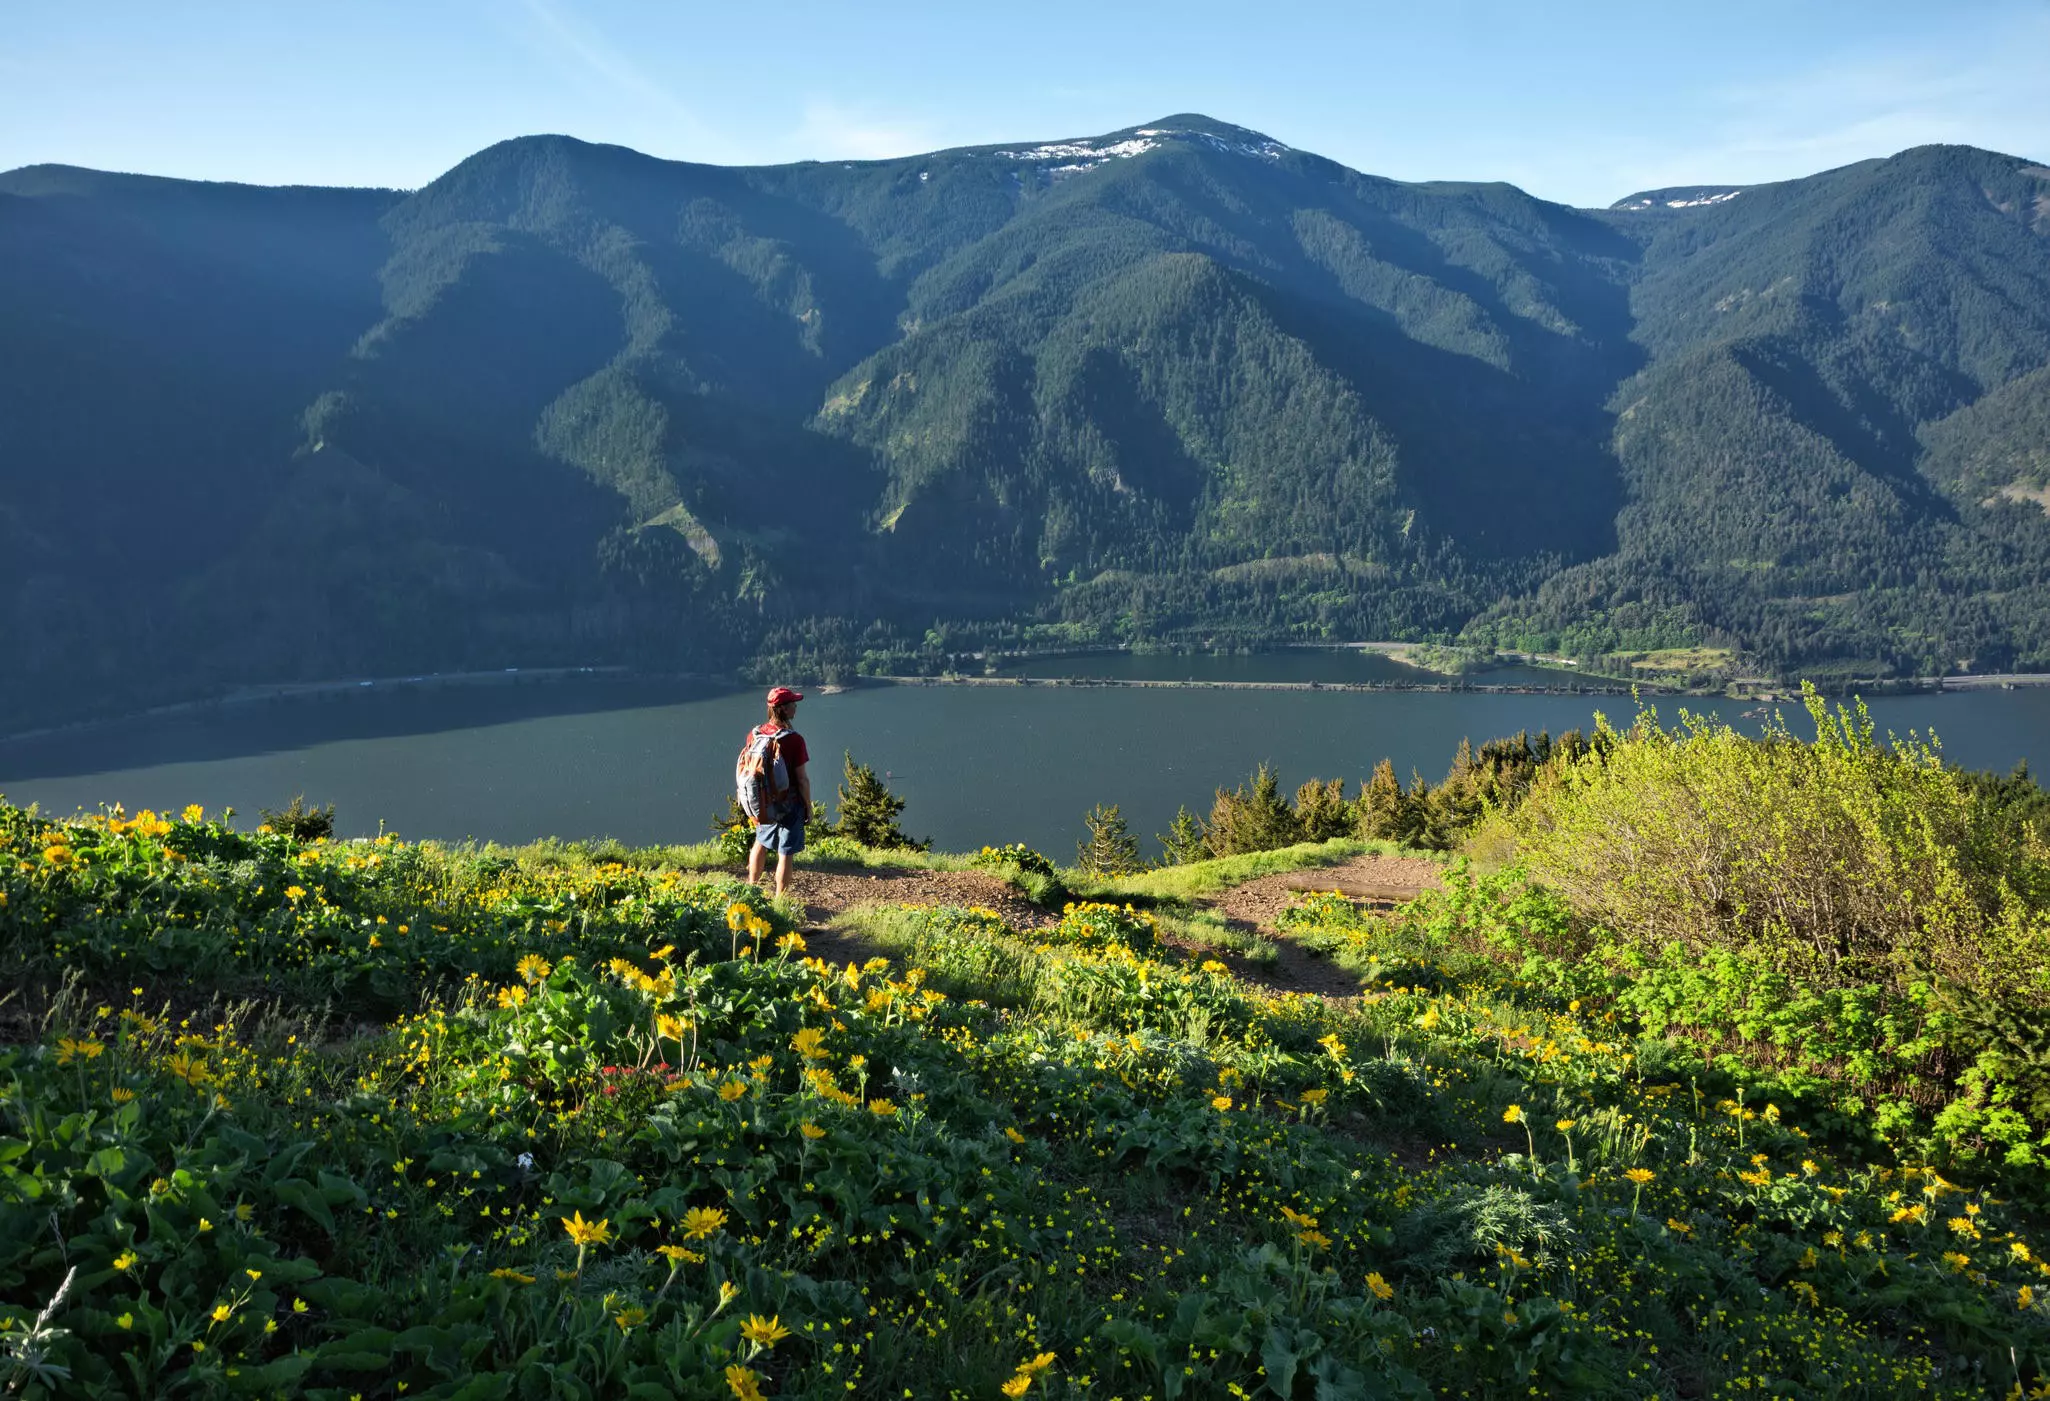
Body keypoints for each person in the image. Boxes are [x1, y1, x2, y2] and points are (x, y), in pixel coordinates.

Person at [744, 686, 811, 897]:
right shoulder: (794, 740)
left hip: (764, 800)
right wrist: (808, 807)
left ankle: (751, 889)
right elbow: (802, 779)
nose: (796, 707)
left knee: (761, 843)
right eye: (793, 704)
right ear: (782, 708)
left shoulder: (755, 734)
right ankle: (780, 900)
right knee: (785, 854)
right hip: (789, 802)